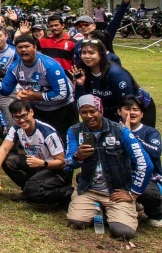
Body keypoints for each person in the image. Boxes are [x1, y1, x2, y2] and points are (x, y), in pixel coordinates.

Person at [65, 95, 152, 240]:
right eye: (84, 112)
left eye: (92, 111)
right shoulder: (74, 131)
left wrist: (133, 194)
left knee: (123, 232)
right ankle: (100, 209)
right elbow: (68, 164)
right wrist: (77, 156)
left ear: (101, 110)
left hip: (117, 190)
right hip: (89, 189)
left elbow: (145, 164)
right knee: (76, 222)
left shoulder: (120, 131)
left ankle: (114, 211)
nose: (89, 116)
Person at [0, 99, 71, 205]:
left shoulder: (47, 133)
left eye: (24, 116)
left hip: (56, 171)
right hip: (36, 165)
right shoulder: (16, 128)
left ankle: (68, 193)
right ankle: (28, 190)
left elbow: (62, 163)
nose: (21, 120)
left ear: (31, 112)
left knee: (34, 190)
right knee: (8, 160)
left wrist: (43, 163)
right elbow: (3, 149)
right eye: (17, 117)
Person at [0, 34, 75, 138]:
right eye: (20, 47)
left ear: (35, 48)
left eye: (27, 46)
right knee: (43, 140)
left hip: (62, 109)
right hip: (39, 108)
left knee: (62, 141)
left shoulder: (50, 65)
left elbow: (63, 94)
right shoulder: (14, 67)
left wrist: (34, 96)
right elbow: (6, 90)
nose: (23, 50)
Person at [73, 37, 155, 127]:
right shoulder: (84, 73)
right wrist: (80, 84)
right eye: (84, 53)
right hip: (110, 110)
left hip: (136, 109)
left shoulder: (117, 75)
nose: (87, 56)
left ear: (101, 55)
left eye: (91, 53)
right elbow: (82, 102)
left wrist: (122, 126)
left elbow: (127, 104)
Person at [118, 96, 162, 227]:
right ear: (119, 112)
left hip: (148, 176)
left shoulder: (150, 132)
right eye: (127, 109)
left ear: (142, 114)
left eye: (135, 110)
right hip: (121, 174)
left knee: (150, 194)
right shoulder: (113, 130)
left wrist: (130, 135)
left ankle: (156, 213)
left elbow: (155, 152)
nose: (131, 113)